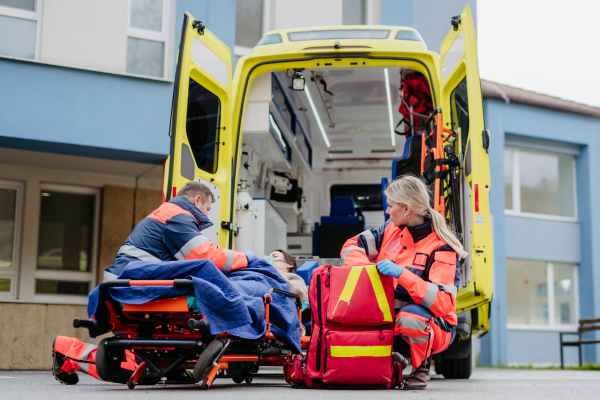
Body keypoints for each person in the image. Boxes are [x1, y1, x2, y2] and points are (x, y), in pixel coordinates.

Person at [52, 182, 257, 385]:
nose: (208, 215)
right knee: (136, 370)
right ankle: (66, 351)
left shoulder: (168, 214)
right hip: (136, 289)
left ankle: (171, 368)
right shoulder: (178, 216)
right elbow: (208, 256)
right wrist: (248, 259)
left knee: (155, 363)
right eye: (208, 208)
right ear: (197, 200)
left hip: (136, 286)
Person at [340, 175, 467, 390]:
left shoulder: (442, 248)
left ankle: (421, 367)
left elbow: (444, 304)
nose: (387, 211)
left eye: (390, 206)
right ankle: (384, 361)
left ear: (406, 209)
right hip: (389, 314)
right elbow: (351, 246)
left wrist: (402, 275)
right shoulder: (390, 229)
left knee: (411, 318)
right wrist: (366, 269)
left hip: (434, 326)